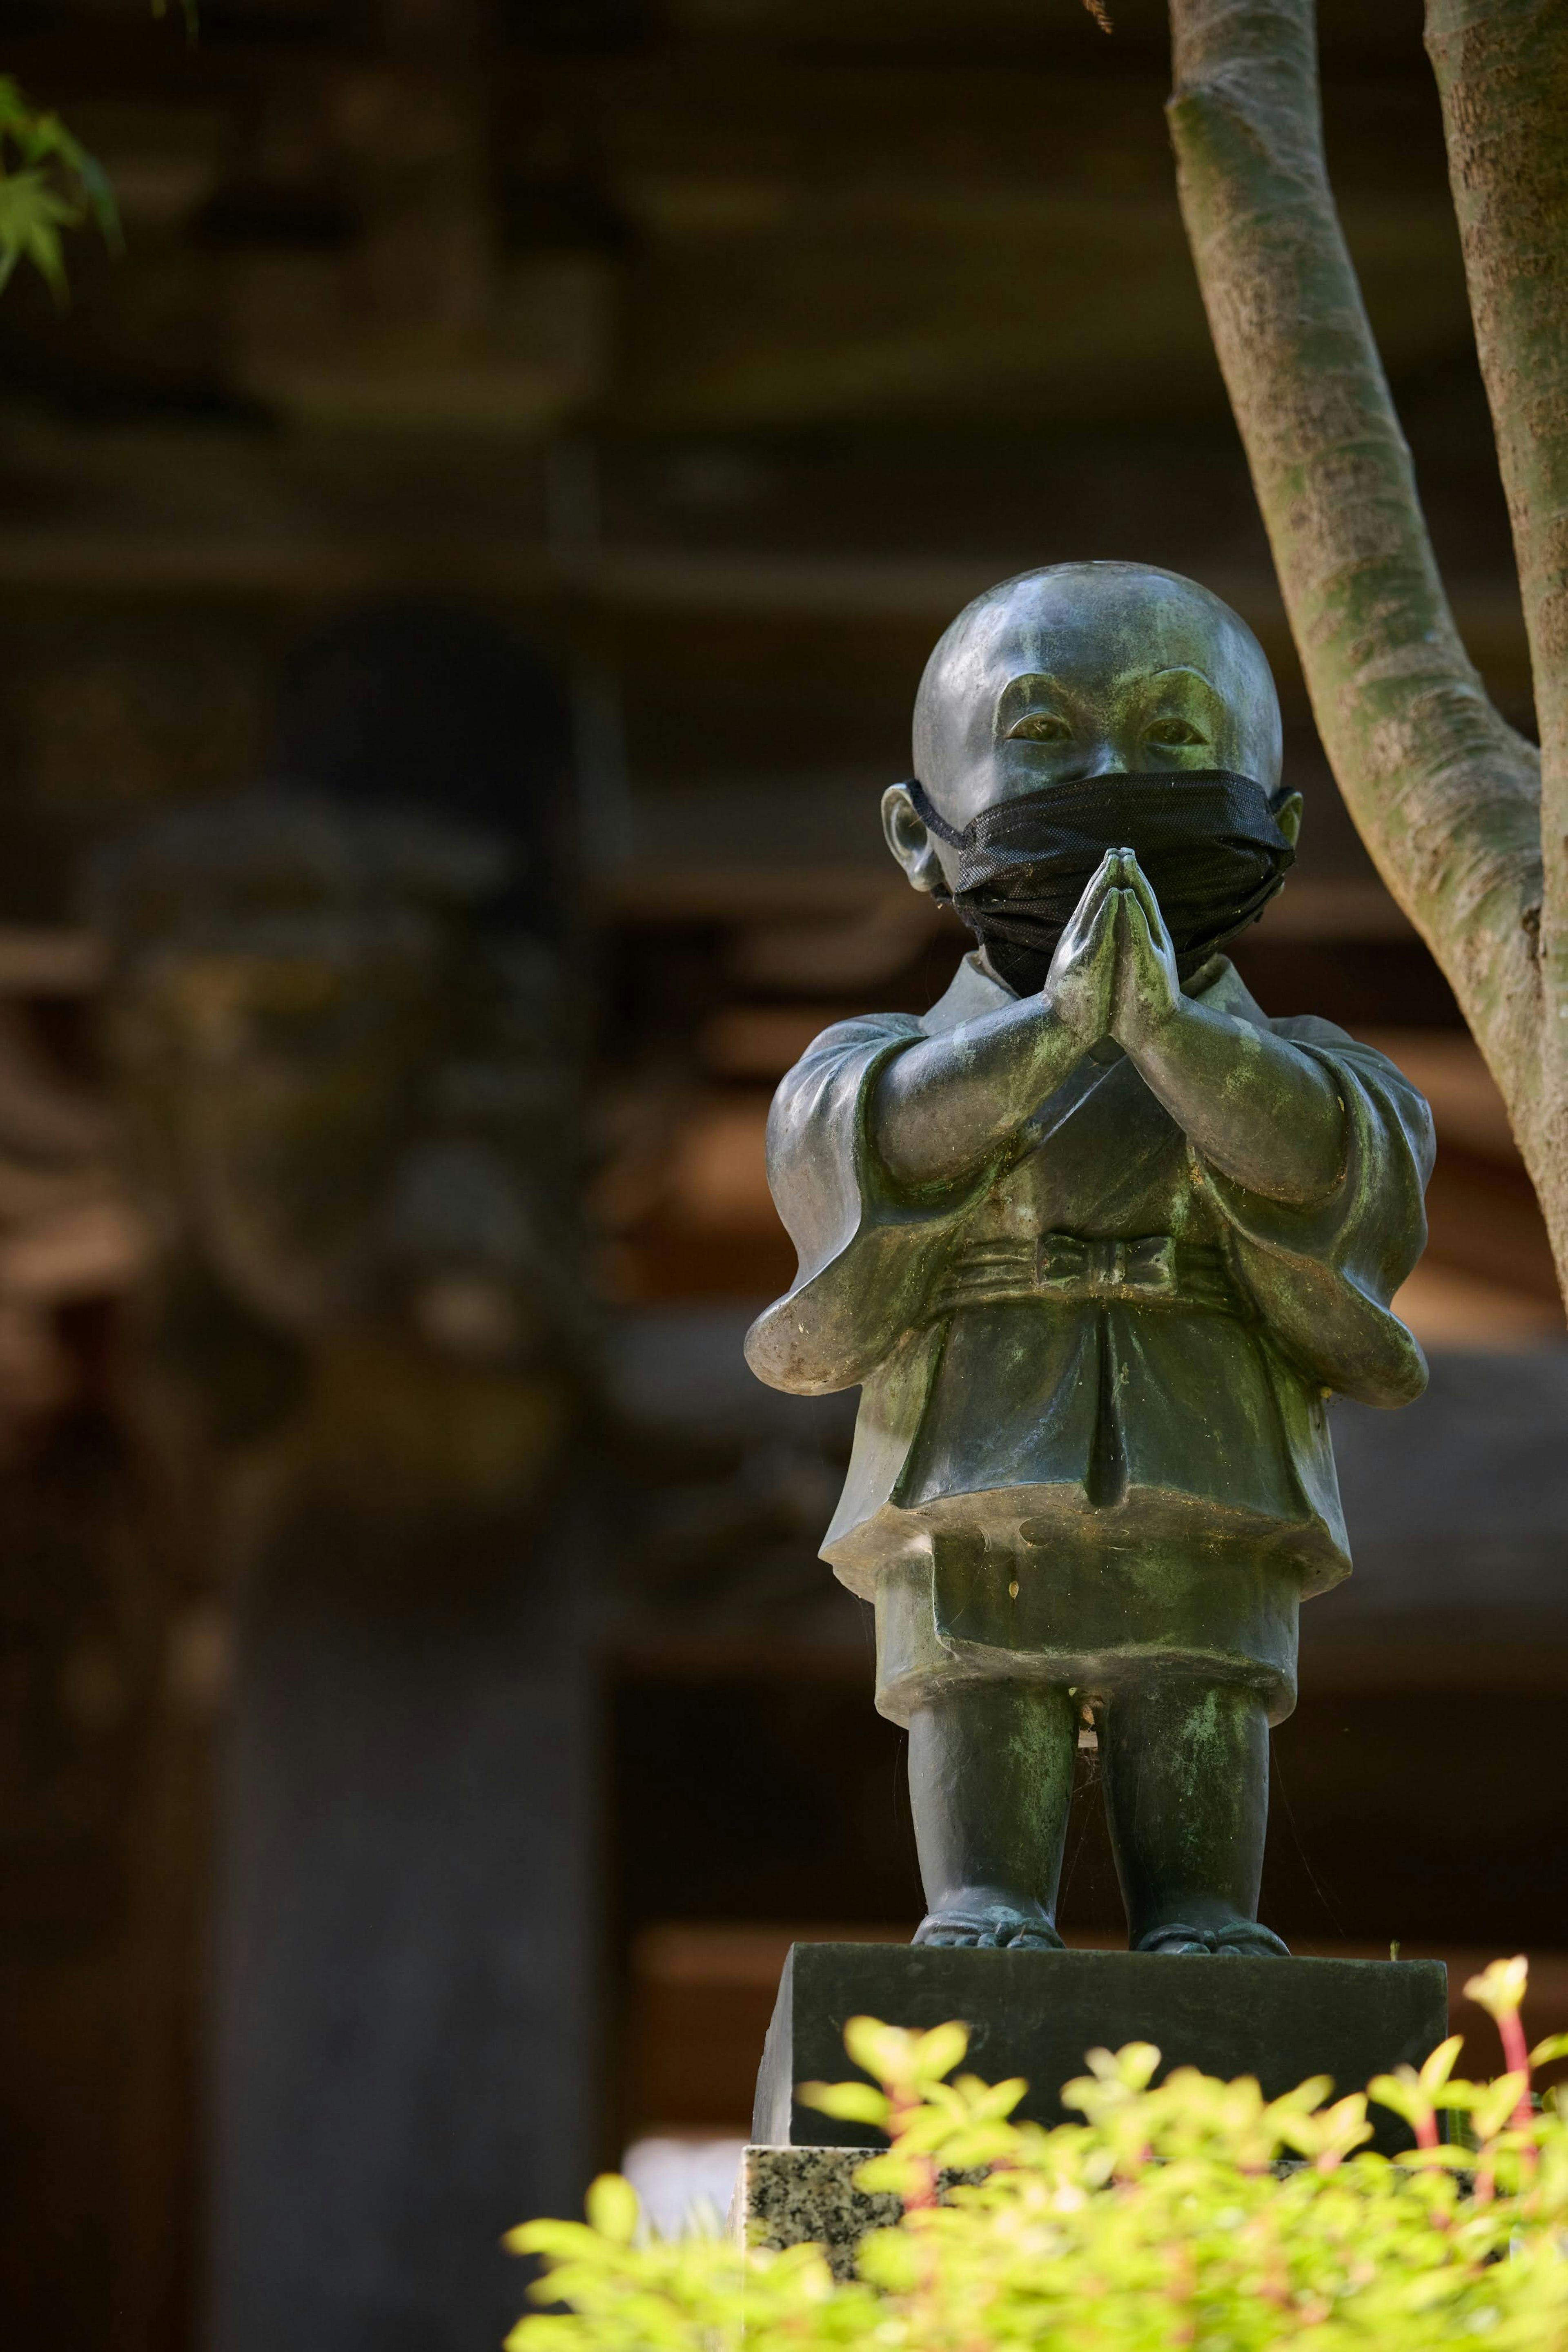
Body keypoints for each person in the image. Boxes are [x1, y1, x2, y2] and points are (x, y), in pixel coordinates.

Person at [746, 561, 1434, 1958]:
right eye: (1047, 736)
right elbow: (861, 1143)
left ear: (1281, 831)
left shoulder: (1313, 1068)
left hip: (1205, 1405)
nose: (1118, 777)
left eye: (1178, 738)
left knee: (1202, 1666)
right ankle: (986, 1896)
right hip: (974, 1417)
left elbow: (1342, 1166)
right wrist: (1055, 1030)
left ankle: (1200, 1911)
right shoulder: (869, 1062)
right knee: (975, 1664)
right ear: (915, 834)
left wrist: (1177, 1039)